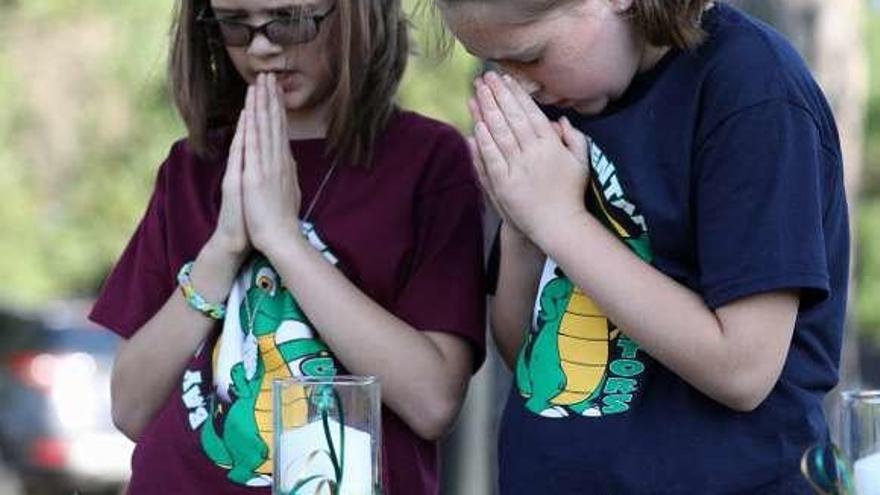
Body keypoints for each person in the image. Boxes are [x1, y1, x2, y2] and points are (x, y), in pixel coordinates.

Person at [432, 0, 850, 493]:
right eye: (494, 62)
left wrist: (560, 221)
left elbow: (743, 369)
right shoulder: (563, 97)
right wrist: (523, 227)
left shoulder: (751, 88)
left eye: (530, 54)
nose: (518, 84)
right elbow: (523, 350)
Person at [89, 0, 486, 493]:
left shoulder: (429, 161)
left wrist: (284, 241)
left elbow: (433, 403)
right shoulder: (190, 167)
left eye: (290, 19)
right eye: (235, 25)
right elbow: (129, 408)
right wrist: (225, 246)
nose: (261, 46)